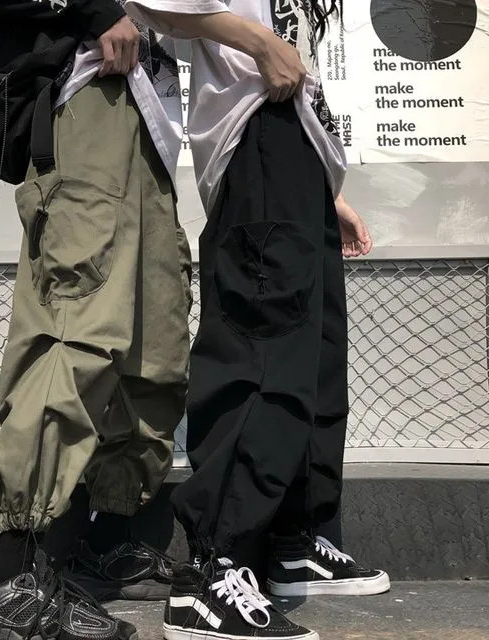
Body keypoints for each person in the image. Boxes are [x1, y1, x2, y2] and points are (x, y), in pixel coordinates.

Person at [124, 1, 390, 639]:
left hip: (300, 144)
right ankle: (213, 570)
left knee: (313, 359)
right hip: (255, 130)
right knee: (263, 353)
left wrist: (329, 189)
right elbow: (155, 5)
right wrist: (259, 44)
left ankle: (289, 544)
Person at [0, 2, 191, 639]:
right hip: (86, 92)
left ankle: (107, 541)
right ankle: (6, 577)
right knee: (79, 328)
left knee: (154, 337)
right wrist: (97, 8)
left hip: (146, 113)